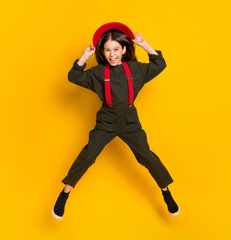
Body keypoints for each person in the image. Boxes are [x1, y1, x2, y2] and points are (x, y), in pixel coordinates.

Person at [51, 22, 179, 220]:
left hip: (130, 123)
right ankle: (64, 194)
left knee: (147, 157)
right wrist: (85, 55)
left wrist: (145, 45)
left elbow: (159, 64)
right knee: (88, 155)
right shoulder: (98, 73)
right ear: (102, 51)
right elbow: (73, 76)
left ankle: (166, 192)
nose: (112, 54)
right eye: (107, 50)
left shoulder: (135, 70)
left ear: (124, 49)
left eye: (116, 49)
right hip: (106, 122)